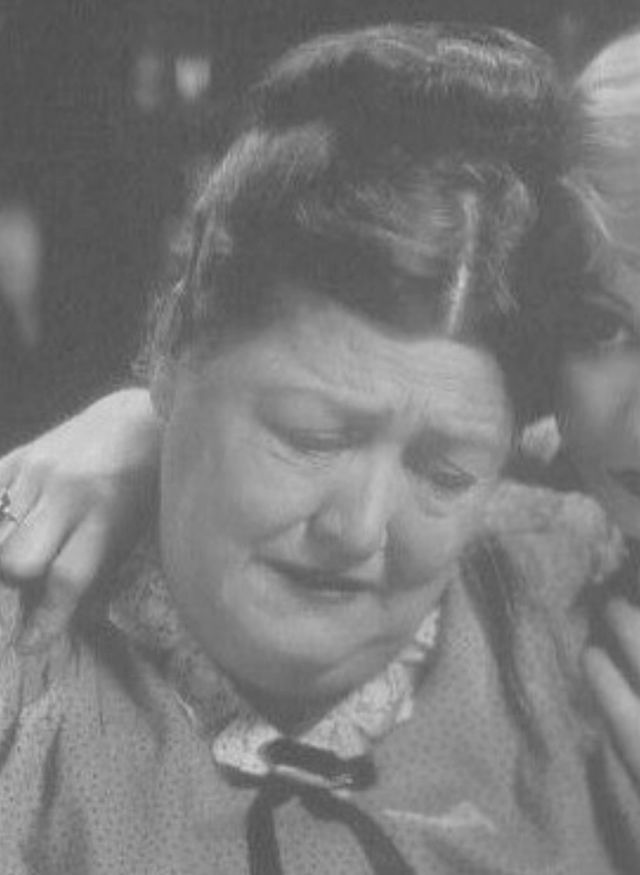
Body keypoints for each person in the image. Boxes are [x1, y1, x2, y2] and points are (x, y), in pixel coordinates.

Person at [2, 21, 626, 875]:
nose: (359, 528)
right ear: (170, 348)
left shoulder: (575, 606)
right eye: (310, 439)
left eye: (445, 473)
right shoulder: (24, 689)